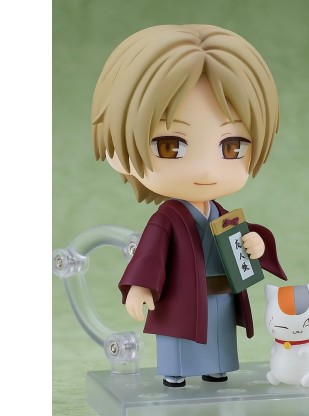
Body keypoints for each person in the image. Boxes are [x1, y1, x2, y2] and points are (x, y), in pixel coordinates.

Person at [92, 24, 287, 387]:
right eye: (171, 146)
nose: (206, 169)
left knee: (219, 340)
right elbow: (150, 255)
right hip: (182, 297)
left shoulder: (222, 215)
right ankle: (175, 374)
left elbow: (243, 243)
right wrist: (140, 285)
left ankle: (216, 369)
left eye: (232, 146)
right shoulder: (167, 219)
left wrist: (256, 243)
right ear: (118, 152)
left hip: (221, 294)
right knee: (181, 339)